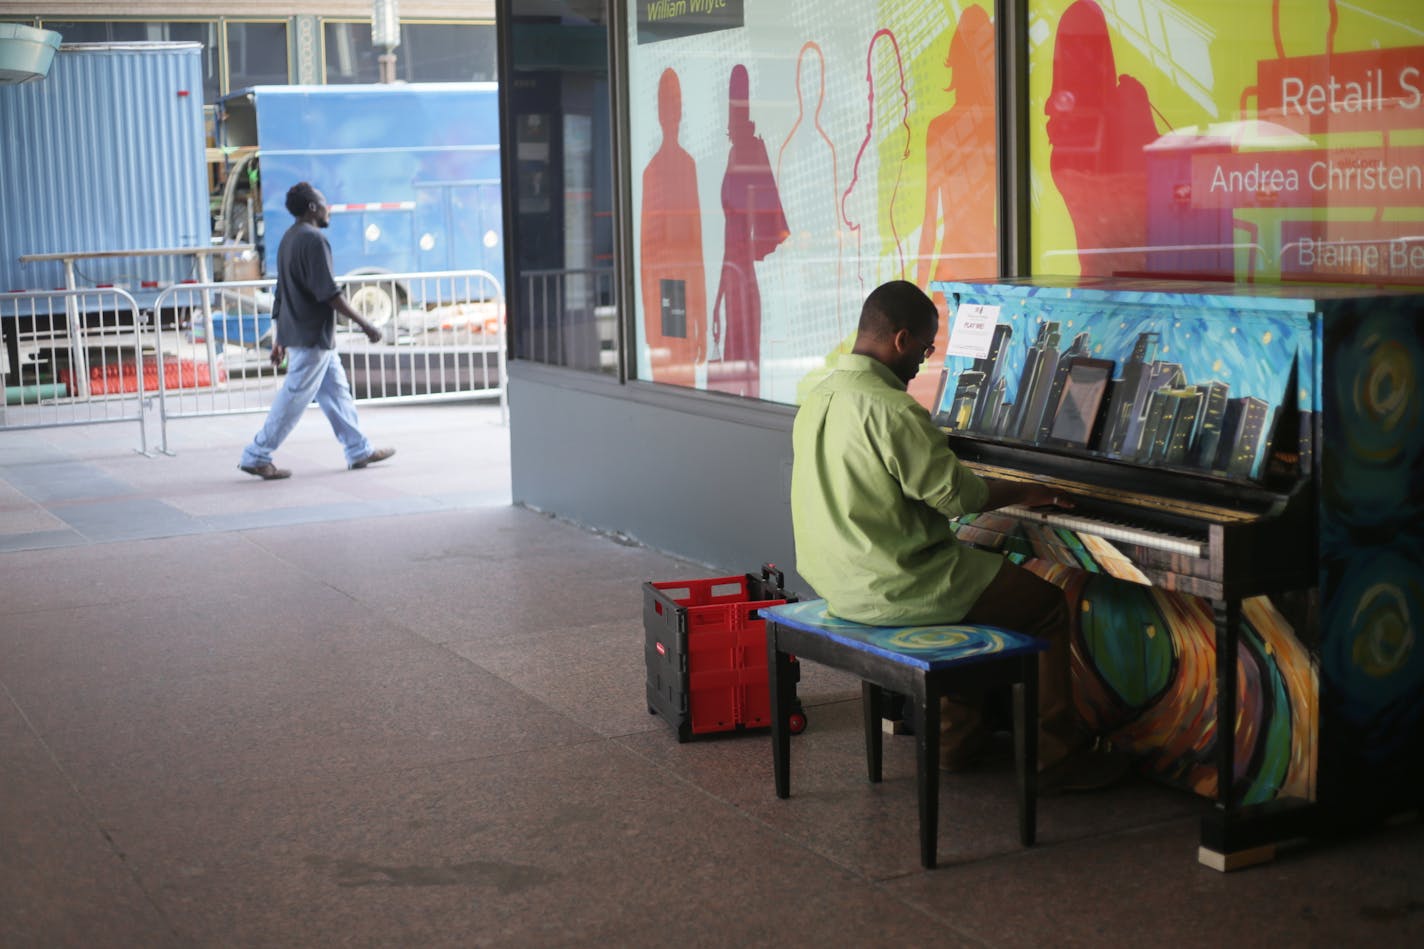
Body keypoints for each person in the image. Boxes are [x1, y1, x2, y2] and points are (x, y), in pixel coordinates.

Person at [790, 280, 1125, 790]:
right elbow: (959, 500)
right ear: (901, 339)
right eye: (924, 348)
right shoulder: (893, 409)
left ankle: (956, 740)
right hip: (898, 584)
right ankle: (1055, 759)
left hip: (839, 576)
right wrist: (1028, 491)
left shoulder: (820, 395)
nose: (923, 361)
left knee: (978, 589)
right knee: (1047, 605)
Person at [238, 182, 394, 480]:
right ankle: (257, 454)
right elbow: (329, 293)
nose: (328, 209)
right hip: (311, 337)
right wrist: (366, 324)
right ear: (312, 207)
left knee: (337, 393)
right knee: (294, 397)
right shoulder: (313, 240)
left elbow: (281, 293)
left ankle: (358, 449)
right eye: (324, 203)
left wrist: (279, 337)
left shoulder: (288, 239)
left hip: (305, 335)